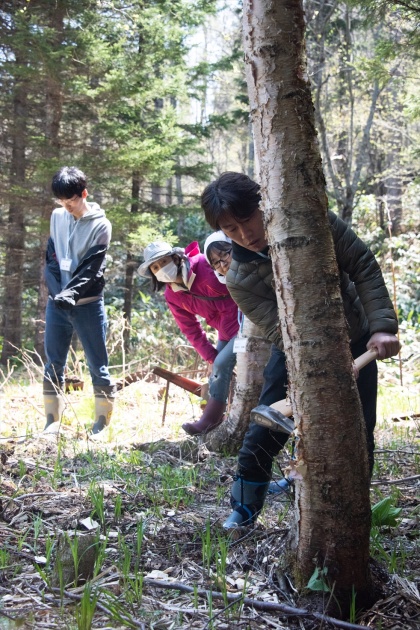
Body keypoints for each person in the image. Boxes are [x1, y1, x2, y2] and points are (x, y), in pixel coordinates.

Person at [201, 171, 400, 528]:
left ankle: (349, 511)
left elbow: (363, 266)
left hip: (356, 338)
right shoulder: (238, 280)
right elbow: (280, 329)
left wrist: (382, 327)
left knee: (357, 430)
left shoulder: (313, 223)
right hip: (293, 350)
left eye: (248, 220)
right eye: (231, 229)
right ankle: (244, 508)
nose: (245, 234)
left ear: (263, 204)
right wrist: (322, 367)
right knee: (265, 428)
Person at [138, 235, 238, 435]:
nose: (161, 269)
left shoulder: (204, 264)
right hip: (226, 332)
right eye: (155, 268)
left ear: (176, 258)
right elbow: (190, 329)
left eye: (163, 262)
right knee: (217, 370)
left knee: (221, 364)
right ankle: (221, 418)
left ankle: (210, 420)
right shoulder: (172, 295)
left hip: (247, 322)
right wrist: (210, 356)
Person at [43, 166, 116, 434]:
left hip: (87, 305)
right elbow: (51, 258)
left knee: (98, 364)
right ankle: (52, 422)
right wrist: (56, 293)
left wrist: (71, 294)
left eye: (71, 201)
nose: (66, 206)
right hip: (57, 305)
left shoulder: (101, 225)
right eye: (61, 201)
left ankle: (101, 424)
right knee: (53, 362)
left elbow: (91, 268)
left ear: (83, 193)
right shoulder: (57, 216)